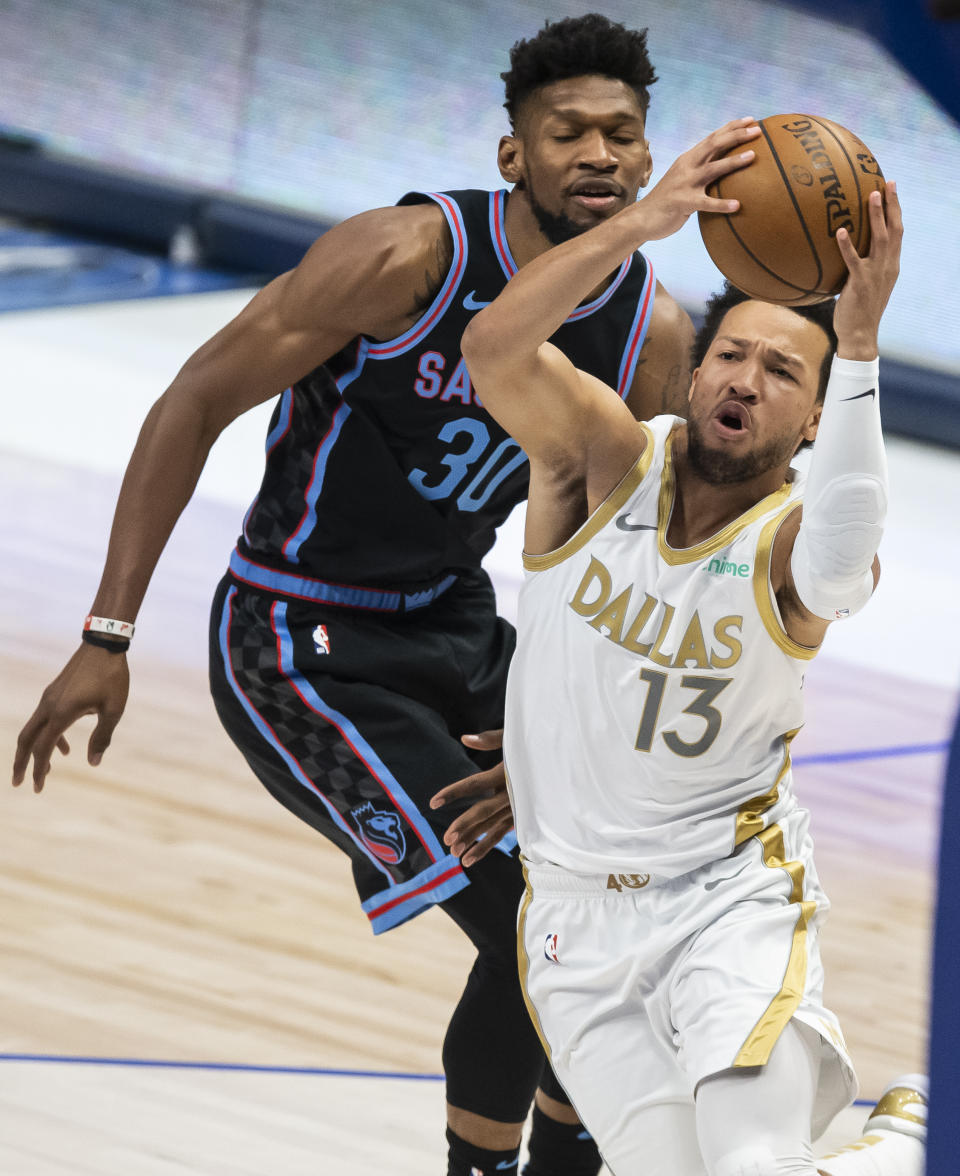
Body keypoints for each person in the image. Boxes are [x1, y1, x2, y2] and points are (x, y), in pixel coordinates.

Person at [11, 14, 695, 1176]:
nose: (597, 153)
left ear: (647, 154)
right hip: (298, 640)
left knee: (630, 897)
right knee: (541, 921)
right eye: (565, 131)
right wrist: (108, 631)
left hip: (460, 620)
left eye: (621, 135)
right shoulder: (404, 256)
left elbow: (611, 556)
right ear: (511, 156)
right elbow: (194, 399)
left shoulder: (649, 332)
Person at [443, 116, 925, 1175]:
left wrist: (857, 346)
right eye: (730, 356)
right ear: (696, 373)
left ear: (811, 423)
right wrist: (643, 226)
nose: (745, 379)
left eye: (781, 373)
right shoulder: (601, 460)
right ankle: (900, 1150)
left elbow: (846, 554)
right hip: (570, 922)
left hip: (725, 900)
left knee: (748, 1165)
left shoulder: (801, 540)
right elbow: (490, 348)